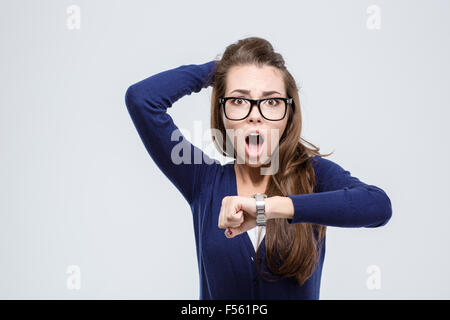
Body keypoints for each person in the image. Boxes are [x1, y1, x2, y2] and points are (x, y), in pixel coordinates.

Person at [124, 37, 392, 300]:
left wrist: (269, 208)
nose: (255, 114)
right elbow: (142, 100)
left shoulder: (314, 174)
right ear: (222, 113)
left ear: (288, 114)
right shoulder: (202, 180)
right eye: (239, 101)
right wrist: (219, 69)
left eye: (272, 102)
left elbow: (378, 206)